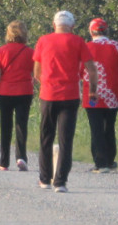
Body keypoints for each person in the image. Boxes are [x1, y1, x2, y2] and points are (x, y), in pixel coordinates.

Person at [32, 11, 97, 193]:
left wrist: (46, 82)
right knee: (65, 139)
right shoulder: (78, 42)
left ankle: (44, 179)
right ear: (73, 27)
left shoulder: (43, 41)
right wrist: (92, 90)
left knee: (46, 137)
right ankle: (60, 182)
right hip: (70, 95)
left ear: (54, 25)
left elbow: (36, 70)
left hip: (48, 95)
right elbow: (91, 69)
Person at [83, 18, 118, 173]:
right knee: (109, 126)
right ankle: (110, 160)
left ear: (91, 32)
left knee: (96, 127)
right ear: (107, 31)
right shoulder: (117, 47)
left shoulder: (85, 47)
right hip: (113, 94)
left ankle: (100, 162)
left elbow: (78, 73)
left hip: (92, 94)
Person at [0, 21, 35, 171]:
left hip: (5, 92)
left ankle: (3, 162)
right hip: (24, 92)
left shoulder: (2, 51)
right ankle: (21, 157)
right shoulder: (30, 52)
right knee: (21, 125)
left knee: (5, 126)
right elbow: (35, 73)